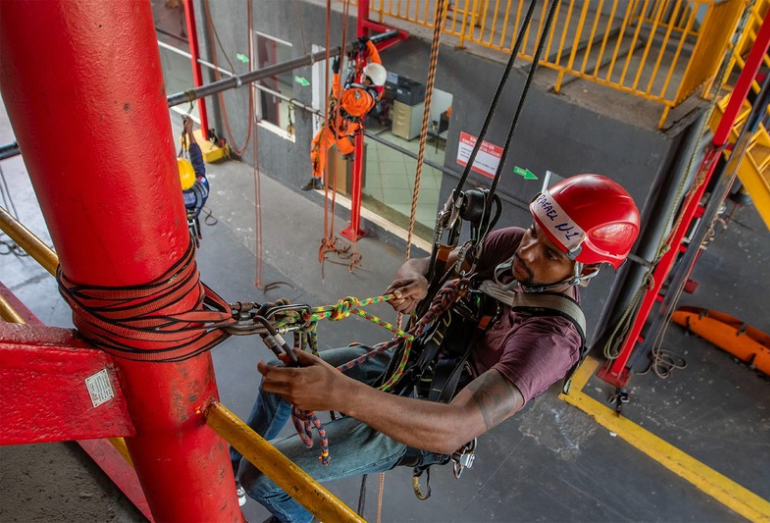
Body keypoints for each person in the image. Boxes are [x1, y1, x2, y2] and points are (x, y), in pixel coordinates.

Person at [234, 174, 641, 522]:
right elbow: (425, 265)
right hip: (411, 360)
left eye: (550, 253)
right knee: (281, 377)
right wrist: (417, 279)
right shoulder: (509, 246)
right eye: (534, 231)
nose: (527, 250)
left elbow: (455, 428)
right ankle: (229, 470)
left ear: (586, 269)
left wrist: (342, 395)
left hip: (431, 415)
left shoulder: (551, 339)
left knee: (262, 477)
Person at [302, 36, 387, 191]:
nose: (362, 76)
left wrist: (336, 73)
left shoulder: (359, 97)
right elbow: (376, 63)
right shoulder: (377, 89)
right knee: (340, 138)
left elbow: (338, 94)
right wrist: (368, 44)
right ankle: (350, 152)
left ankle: (317, 178)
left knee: (317, 145)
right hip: (347, 125)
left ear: (369, 81)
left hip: (339, 124)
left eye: (364, 76)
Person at [179, 117, 210, 243]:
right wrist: (190, 132)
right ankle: (196, 235)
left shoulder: (170, 197)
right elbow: (197, 160)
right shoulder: (202, 188)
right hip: (195, 211)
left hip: (179, 219)